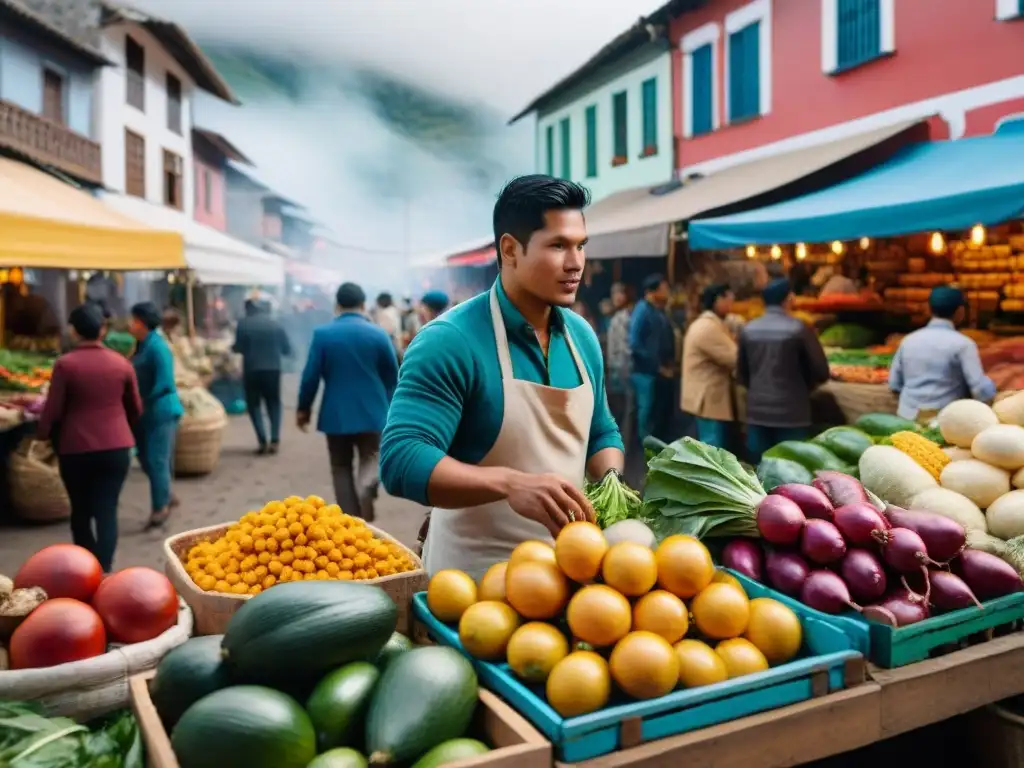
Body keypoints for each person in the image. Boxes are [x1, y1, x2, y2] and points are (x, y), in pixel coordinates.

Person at [380, 174, 623, 579]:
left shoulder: (581, 337)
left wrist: (613, 481)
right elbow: (402, 459)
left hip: (568, 575)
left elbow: (600, 430)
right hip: (471, 584)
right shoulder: (450, 341)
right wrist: (510, 484)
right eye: (558, 245)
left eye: (581, 245)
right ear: (510, 249)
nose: (576, 262)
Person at [36, 304, 142, 572]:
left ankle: (87, 571)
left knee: (81, 512)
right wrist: (118, 428)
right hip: (117, 448)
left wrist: (42, 435)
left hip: (75, 450)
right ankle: (105, 569)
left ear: (73, 330)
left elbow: (54, 409)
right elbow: (136, 409)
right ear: (102, 329)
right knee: (107, 510)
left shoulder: (65, 364)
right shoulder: (122, 363)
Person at [298, 282, 399, 520]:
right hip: (374, 413)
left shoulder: (322, 335)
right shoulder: (378, 334)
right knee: (370, 459)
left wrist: (303, 409)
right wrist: (394, 411)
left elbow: (310, 376)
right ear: (364, 305)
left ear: (337, 306)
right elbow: (392, 377)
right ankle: (366, 491)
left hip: (336, 415)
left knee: (341, 467)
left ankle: (350, 517)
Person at [738, 279, 831, 462]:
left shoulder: (748, 329)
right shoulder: (798, 328)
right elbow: (821, 370)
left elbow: (742, 373)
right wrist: (806, 387)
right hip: (792, 413)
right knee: (791, 469)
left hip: (757, 412)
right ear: (788, 299)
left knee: (759, 468)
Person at [889, 286, 996, 424]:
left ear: (929, 309)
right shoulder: (963, 344)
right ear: (960, 311)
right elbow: (980, 390)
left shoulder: (908, 340)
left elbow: (894, 384)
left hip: (907, 419)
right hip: (944, 422)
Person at [129, 302, 184, 528]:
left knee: (157, 459)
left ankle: (160, 507)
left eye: (133, 321)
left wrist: (143, 401)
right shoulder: (141, 345)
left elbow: (165, 383)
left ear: (141, 323)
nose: (130, 325)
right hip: (145, 412)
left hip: (161, 410)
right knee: (145, 457)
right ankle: (167, 493)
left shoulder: (158, 347)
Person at [681, 284, 738, 449]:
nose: (731, 305)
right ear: (718, 300)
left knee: (712, 446)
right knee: (713, 450)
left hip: (708, 397)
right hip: (708, 399)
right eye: (728, 300)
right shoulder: (707, 327)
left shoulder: (710, 323)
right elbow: (734, 357)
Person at [233, 299, 292, 455]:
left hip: (252, 369)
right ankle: (275, 439)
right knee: (274, 403)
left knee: (254, 405)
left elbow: (238, 347)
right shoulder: (276, 324)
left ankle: (262, 441)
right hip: (273, 369)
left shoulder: (243, 324)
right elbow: (287, 350)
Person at [628, 274, 675, 443]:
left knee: (656, 411)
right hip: (645, 371)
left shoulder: (658, 310)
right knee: (646, 410)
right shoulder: (642, 310)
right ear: (651, 291)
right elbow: (635, 343)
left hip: (658, 370)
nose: (667, 292)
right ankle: (644, 448)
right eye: (664, 288)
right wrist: (656, 365)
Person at [605, 282, 635, 447]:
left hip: (624, 370)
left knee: (625, 410)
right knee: (617, 409)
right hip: (615, 370)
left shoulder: (624, 317)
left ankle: (623, 445)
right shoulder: (615, 316)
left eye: (620, 293)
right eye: (614, 293)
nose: (616, 297)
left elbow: (625, 347)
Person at [374, 292, 404, 357]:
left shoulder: (385, 314)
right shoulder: (393, 311)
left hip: (390, 345)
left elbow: (385, 331)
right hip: (397, 344)